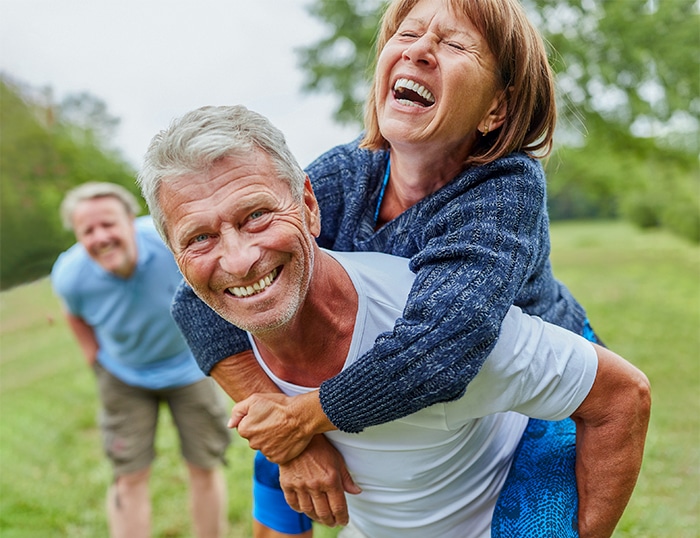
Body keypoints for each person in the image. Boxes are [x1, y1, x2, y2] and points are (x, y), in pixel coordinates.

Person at [157, 0, 634, 535]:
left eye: (454, 44)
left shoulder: (504, 189)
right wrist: (289, 433)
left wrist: (305, 418)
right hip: (369, 369)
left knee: (537, 526)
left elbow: (443, 345)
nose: (419, 49)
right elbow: (195, 304)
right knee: (275, 459)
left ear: (496, 109)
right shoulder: (345, 172)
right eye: (406, 33)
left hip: (530, 389)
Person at [50, 182, 231, 538]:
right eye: (88, 230)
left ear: (131, 220)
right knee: (128, 476)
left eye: (109, 224)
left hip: (190, 366)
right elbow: (74, 316)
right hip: (124, 376)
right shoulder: (70, 276)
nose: (100, 237)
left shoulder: (171, 245)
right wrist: (97, 361)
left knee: (204, 466)